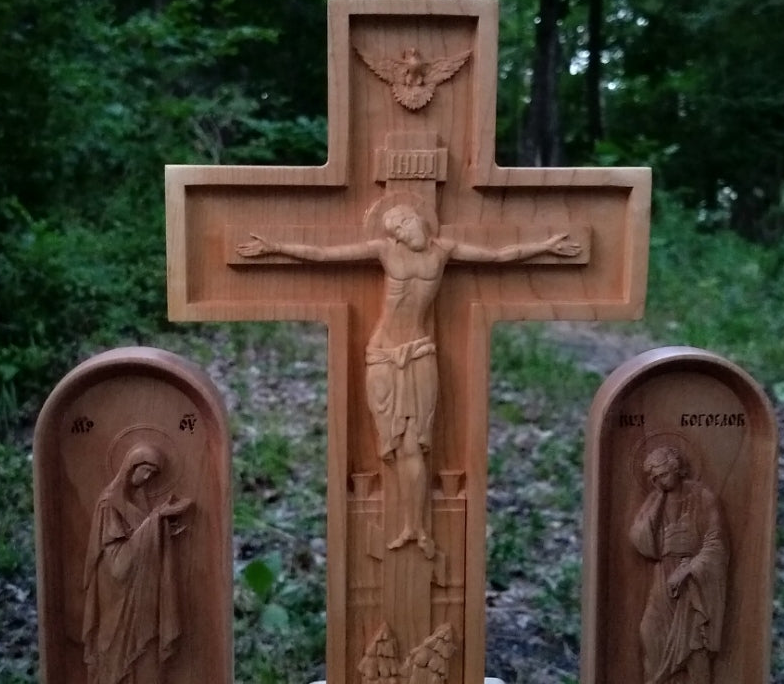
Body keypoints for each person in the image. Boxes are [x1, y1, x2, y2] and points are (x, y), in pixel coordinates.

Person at [238, 203, 579, 557]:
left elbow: (500, 255)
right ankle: (405, 524)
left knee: (415, 447)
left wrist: (545, 246)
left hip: (419, 354)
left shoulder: (445, 251)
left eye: (403, 224)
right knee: (393, 445)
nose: (401, 233)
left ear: (417, 219)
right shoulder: (385, 251)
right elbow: (323, 255)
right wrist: (275, 247)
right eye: (395, 230)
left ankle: (414, 528)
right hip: (383, 356)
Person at [82, 443, 192, 684]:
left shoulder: (139, 501)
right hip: (118, 611)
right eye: (146, 470)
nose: (148, 478)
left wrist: (164, 531)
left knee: (149, 679)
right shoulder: (108, 505)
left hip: (143, 607)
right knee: (124, 677)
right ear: (131, 467)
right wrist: (157, 521)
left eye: (154, 474)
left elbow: (142, 544)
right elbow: (117, 564)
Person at [630, 444, 728, 684]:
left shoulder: (703, 497)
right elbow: (641, 541)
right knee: (653, 641)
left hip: (695, 583)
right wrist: (658, 502)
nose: (657, 482)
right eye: (652, 478)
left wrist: (689, 571)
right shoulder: (655, 499)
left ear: (677, 468)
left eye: (661, 475)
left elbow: (716, 543)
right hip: (662, 579)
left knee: (696, 656)